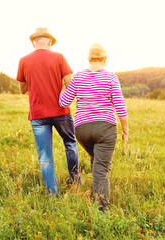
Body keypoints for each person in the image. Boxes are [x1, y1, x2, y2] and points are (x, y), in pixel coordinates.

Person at [59, 43, 128, 211]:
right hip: (105, 128)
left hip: (82, 130)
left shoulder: (77, 77)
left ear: (89, 58)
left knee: (97, 160)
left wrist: (62, 85)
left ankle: (96, 193)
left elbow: (63, 102)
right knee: (101, 169)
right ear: (104, 59)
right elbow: (119, 105)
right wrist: (125, 129)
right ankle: (101, 211)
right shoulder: (111, 77)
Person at [16, 27, 80, 196]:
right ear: (50, 42)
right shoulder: (58, 57)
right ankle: (74, 180)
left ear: (34, 42)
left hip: (38, 115)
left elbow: (22, 89)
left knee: (45, 156)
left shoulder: (23, 60)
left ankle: (53, 195)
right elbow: (70, 83)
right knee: (70, 144)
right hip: (61, 111)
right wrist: (61, 96)